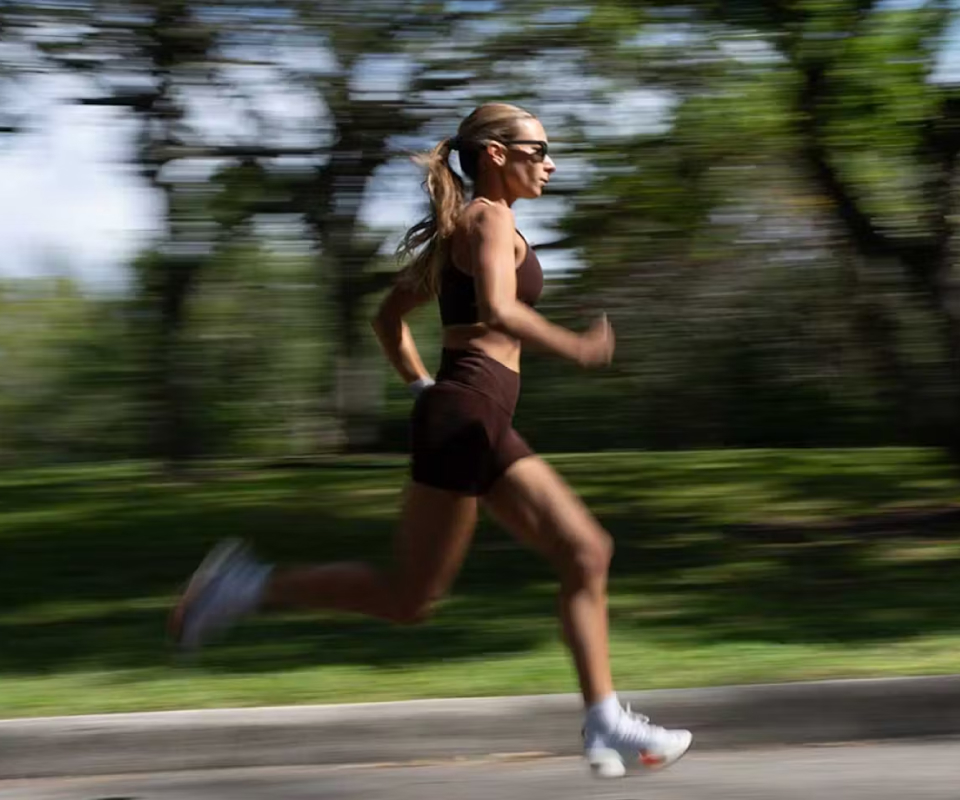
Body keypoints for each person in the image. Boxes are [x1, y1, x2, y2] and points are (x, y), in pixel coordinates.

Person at [169, 102, 692, 779]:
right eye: (540, 150)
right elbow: (499, 311)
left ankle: (605, 722)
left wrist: (422, 389)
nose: (551, 163)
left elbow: (389, 319)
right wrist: (577, 348)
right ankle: (244, 587)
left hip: (474, 417)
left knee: (585, 551)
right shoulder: (487, 218)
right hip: (468, 416)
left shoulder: (462, 229)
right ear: (497, 155)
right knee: (411, 598)